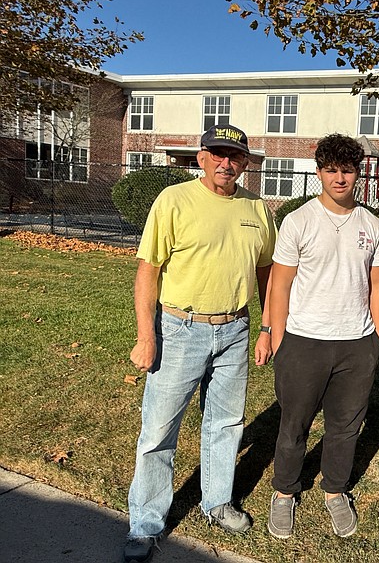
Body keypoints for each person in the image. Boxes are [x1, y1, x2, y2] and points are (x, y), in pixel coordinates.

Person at [123, 124, 277, 563]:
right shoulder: (174, 200)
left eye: (236, 156)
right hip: (179, 328)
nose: (227, 163)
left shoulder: (257, 208)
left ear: (245, 163)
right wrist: (145, 335)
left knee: (226, 423)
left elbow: (267, 271)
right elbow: (147, 271)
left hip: (235, 330)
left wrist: (268, 326)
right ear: (202, 158)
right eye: (218, 154)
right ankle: (145, 524)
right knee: (158, 430)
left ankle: (217, 503)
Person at [267, 133, 379, 540]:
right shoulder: (298, 220)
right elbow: (279, 285)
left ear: (358, 172)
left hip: (357, 344)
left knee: (345, 427)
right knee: (294, 424)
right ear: (319, 171)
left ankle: (335, 490)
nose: (340, 178)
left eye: (348, 169)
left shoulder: (372, 225)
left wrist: (376, 339)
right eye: (331, 169)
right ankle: (284, 492)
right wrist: (277, 337)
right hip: (303, 341)